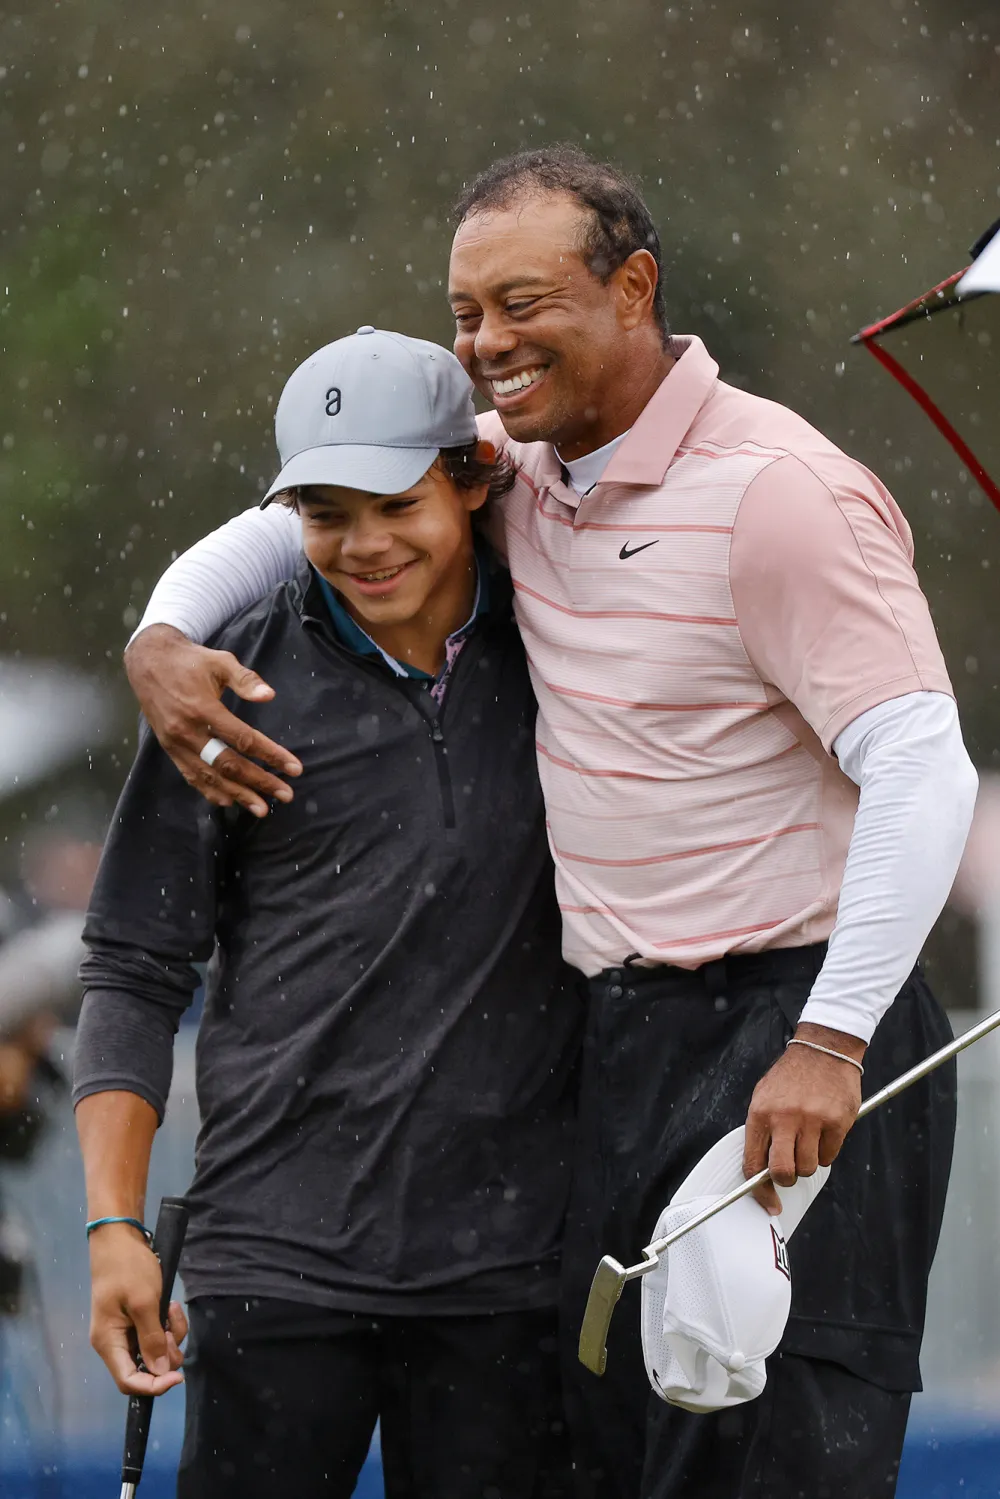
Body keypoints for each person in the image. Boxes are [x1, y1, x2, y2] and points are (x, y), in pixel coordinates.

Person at [120, 147, 978, 1499]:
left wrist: (831, 1036)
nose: (487, 343)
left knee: (779, 1451)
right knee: (620, 1463)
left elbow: (924, 767)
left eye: (523, 302)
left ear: (632, 288)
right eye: (466, 312)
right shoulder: (520, 468)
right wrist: (162, 636)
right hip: (623, 1043)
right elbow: (291, 524)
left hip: (806, 1025)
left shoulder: (780, 493)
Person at [73, 329, 581, 1499]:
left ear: (468, 477)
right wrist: (112, 1228)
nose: (363, 544)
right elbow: (133, 968)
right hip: (276, 1260)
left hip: (511, 1273)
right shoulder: (224, 681)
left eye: (394, 502)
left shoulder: (570, 642)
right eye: (323, 510)